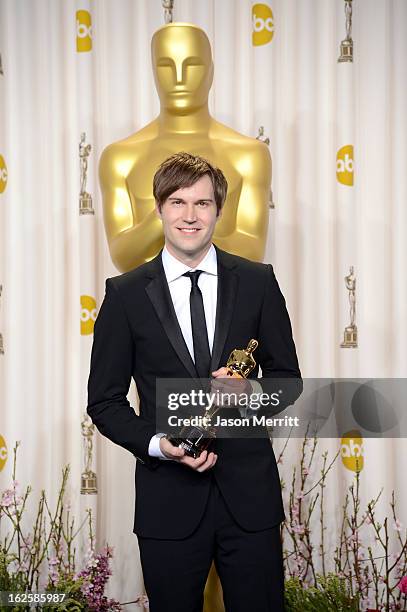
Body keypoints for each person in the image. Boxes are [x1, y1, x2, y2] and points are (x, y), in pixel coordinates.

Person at [87, 152, 302, 612]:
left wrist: (252, 393)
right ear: (159, 207)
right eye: (178, 202)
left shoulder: (258, 282)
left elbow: (289, 381)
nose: (190, 216)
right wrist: (158, 443)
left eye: (203, 203)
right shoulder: (124, 294)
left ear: (218, 211)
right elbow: (104, 402)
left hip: (250, 500)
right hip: (168, 502)